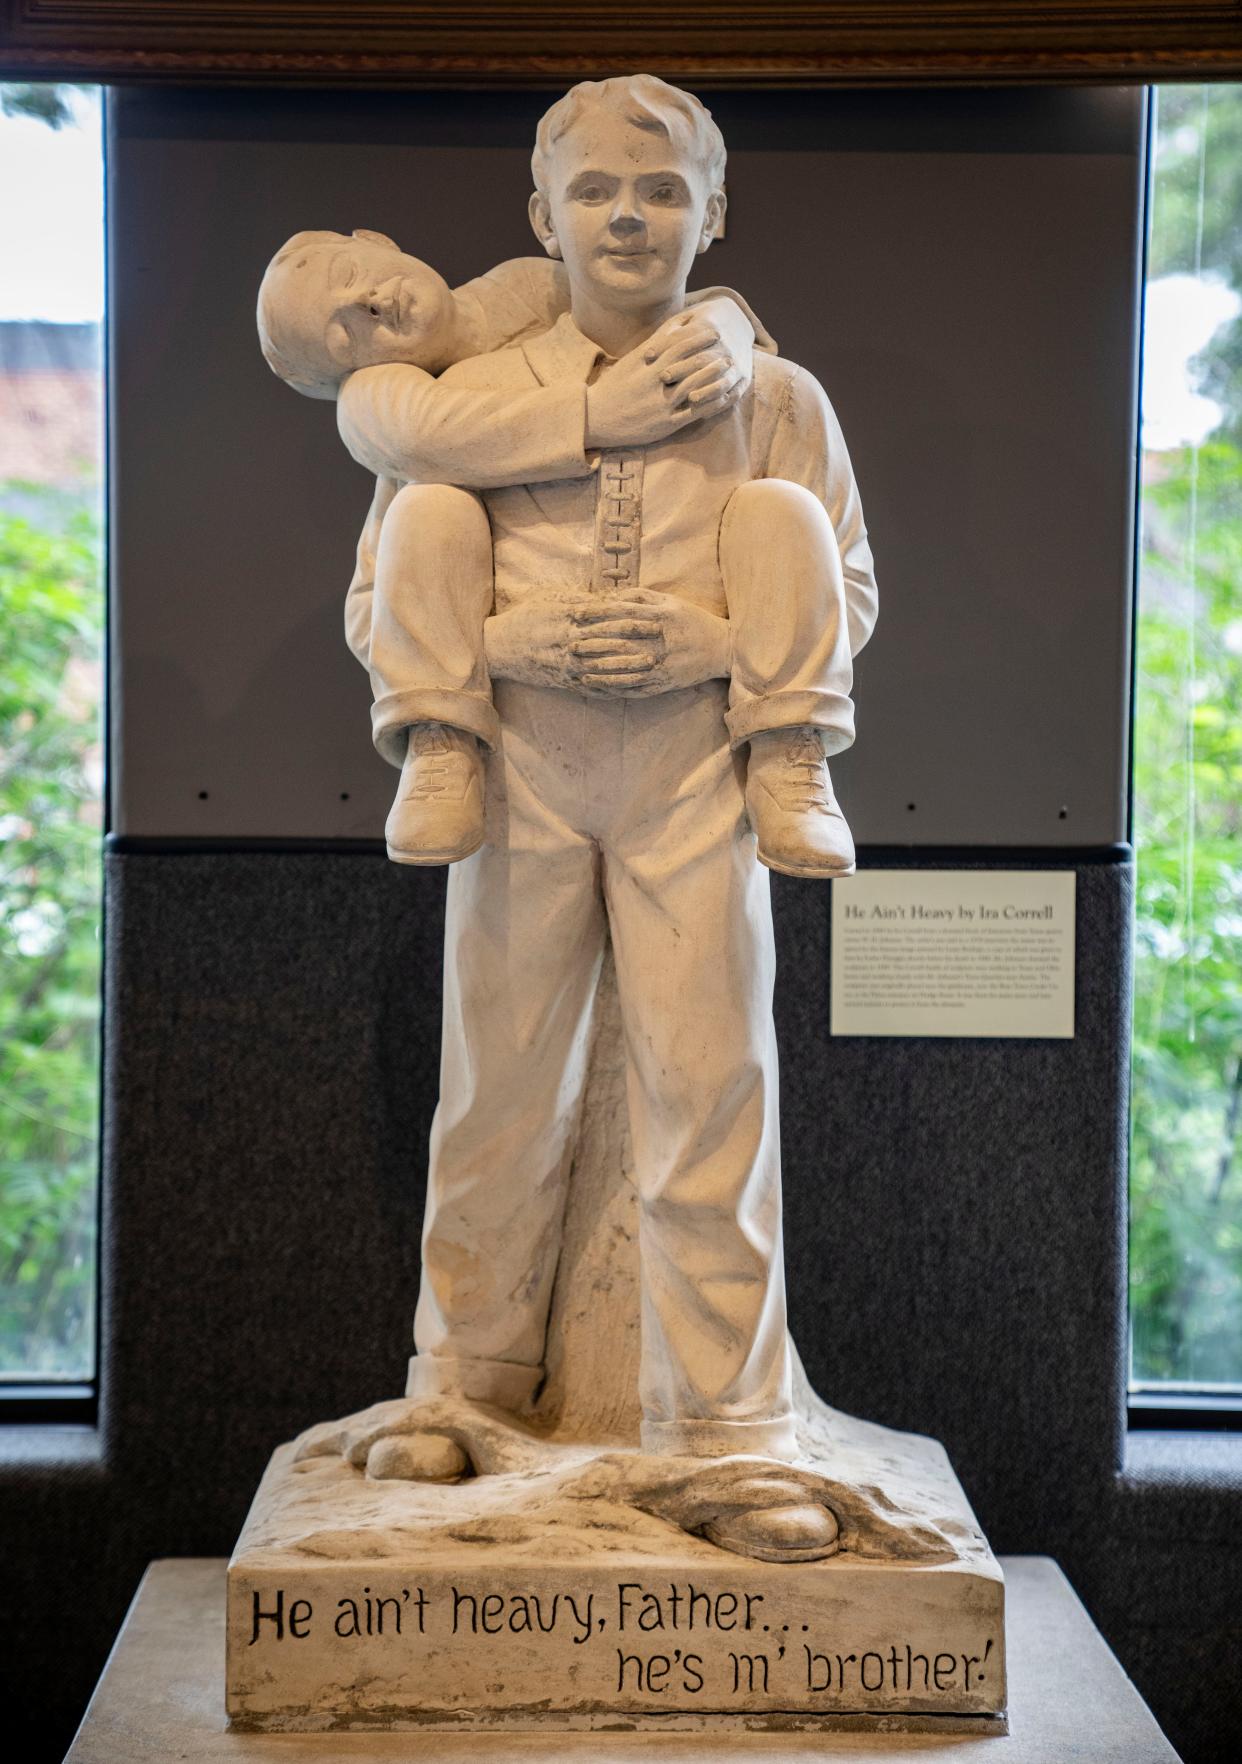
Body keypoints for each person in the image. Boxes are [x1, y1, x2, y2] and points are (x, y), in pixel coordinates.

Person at [328, 75, 879, 1562]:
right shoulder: (478, 400)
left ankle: (727, 1427)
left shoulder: (776, 399)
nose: (627, 217)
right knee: (497, 1087)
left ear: (713, 212)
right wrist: (500, 656)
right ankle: (460, 1386)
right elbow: (382, 594)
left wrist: (717, 653)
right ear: (539, 216)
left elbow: (848, 589)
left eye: (659, 190)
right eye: (593, 191)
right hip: (514, 773)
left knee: (713, 1090)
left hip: (700, 772)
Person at [258, 232, 762, 858]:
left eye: (353, 270)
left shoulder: (531, 288)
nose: (370, 302)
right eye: (343, 335)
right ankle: (440, 741)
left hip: (686, 756)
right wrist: (499, 645)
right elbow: (376, 615)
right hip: (521, 770)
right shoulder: (386, 405)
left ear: (378, 241)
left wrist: (727, 323)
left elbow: (655, 308)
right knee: (431, 506)